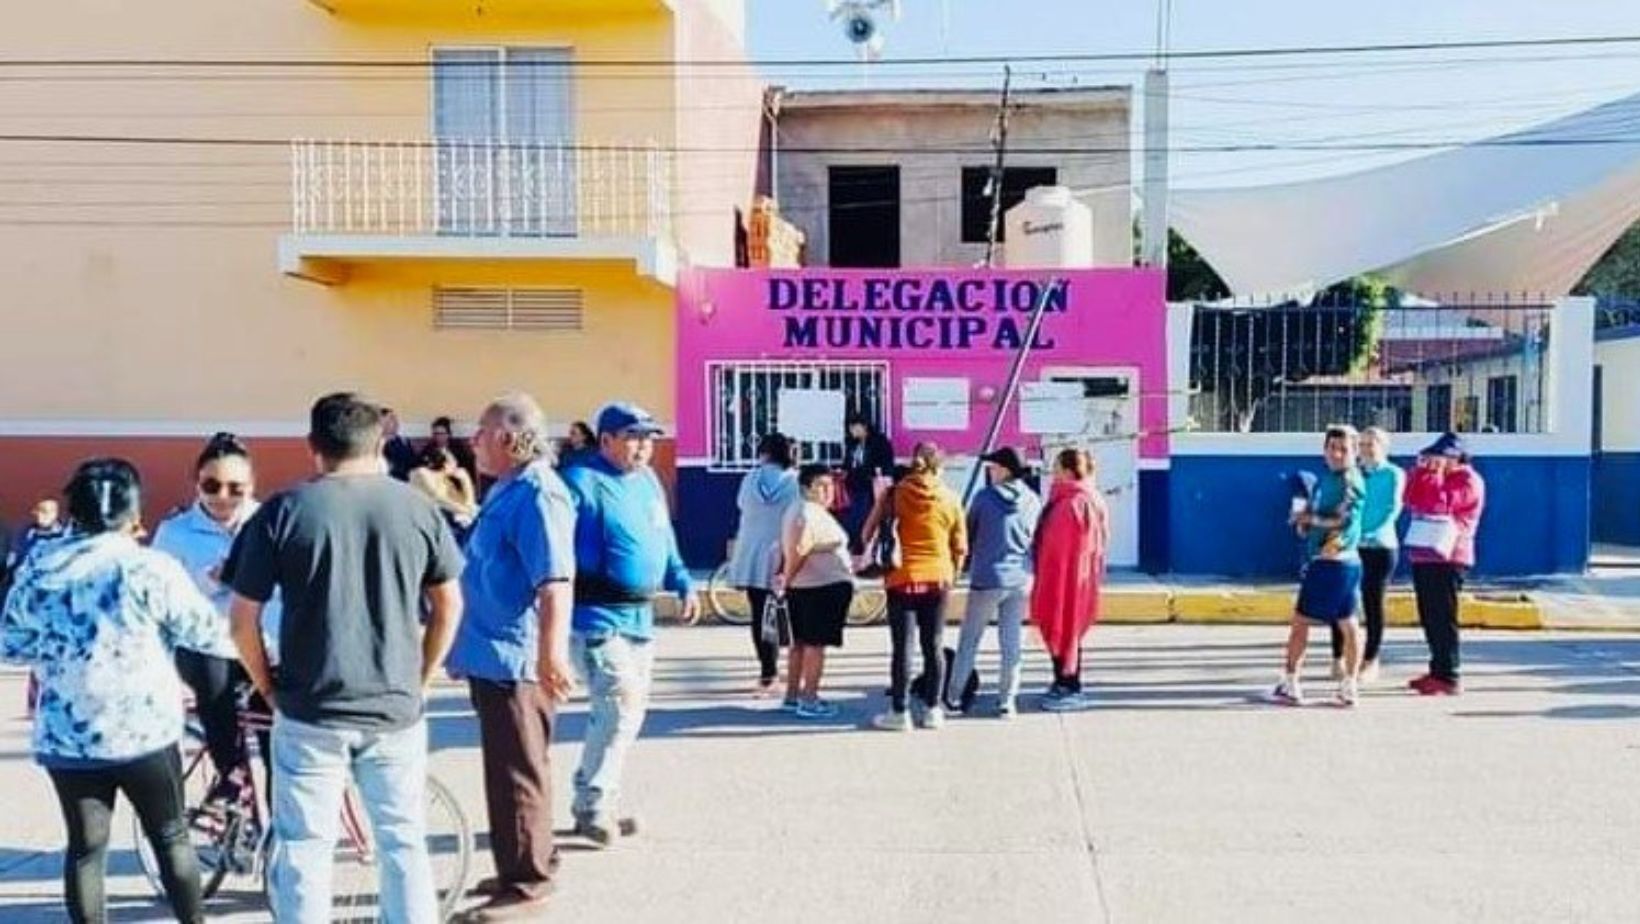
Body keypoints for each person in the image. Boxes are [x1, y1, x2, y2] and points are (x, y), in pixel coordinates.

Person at [223, 393, 465, 923]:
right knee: (403, 840)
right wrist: (420, 677)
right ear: (379, 442)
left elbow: (242, 621)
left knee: (306, 845)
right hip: (395, 706)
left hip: (310, 707)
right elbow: (449, 605)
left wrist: (267, 687)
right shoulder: (417, 508)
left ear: (313, 446)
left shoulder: (283, 512)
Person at [2, 459, 234, 924]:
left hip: (69, 734)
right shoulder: (150, 568)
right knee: (170, 837)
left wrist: (63, 647)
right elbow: (207, 633)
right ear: (133, 515)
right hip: (144, 730)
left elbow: (10, 643)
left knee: (86, 848)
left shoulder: (39, 569)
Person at [445, 393, 577, 921]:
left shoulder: (540, 494)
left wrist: (551, 656)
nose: (472, 441)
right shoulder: (507, 489)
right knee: (506, 769)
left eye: (480, 431)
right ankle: (520, 862)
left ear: (506, 436)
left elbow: (554, 584)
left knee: (519, 769)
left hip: (518, 660)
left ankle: (529, 886)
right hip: (490, 654)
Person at [560, 402, 697, 845]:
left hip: (640, 618)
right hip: (595, 617)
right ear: (606, 440)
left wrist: (682, 582)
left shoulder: (648, 481)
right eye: (634, 437)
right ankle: (595, 801)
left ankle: (595, 798)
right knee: (619, 706)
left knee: (629, 713)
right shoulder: (582, 482)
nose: (644, 446)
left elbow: (664, 535)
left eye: (649, 437)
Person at [151, 432, 282, 810]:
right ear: (197, 484)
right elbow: (160, 599)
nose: (222, 496)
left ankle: (281, 830)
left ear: (252, 486)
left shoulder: (269, 522)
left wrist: (247, 577)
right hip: (208, 646)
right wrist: (209, 581)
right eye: (211, 485)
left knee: (281, 735)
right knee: (214, 681)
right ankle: (230, 777)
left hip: (265, 643)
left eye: (235, 488)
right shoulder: (174, 533)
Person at [864, 442, 967, 732]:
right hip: (938, 578)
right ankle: (934, 709)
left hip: (901, 577)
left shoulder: (893, 494)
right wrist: (952, 575)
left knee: (903, 647)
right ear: (940, 466)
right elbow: (960, 546)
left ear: (912, 462)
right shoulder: (951, 497)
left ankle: (900, 712)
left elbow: (867, 532)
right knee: (933, 644)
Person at [1270, 426, 1366, 708]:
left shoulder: (1350, 481)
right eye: (1331, 448)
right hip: (1333, 561)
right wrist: (1304, 522)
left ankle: (1292, 682)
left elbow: (1343, 520)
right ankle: (1348, 686)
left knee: (1302, 621)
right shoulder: (1327, 479)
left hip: (1333, 562)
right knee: (1347, 623)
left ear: (1354, 452)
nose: (1336, 454)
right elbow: (1316, 513)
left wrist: (1310, 520)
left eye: (1343, 449)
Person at [951, 447, 1042, 719]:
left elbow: (969, 533)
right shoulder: (1033, 499)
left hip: (987, 578)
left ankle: (954, 697)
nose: (989, 472)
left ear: (1004, 470)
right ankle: (1007, 701)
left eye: (992, 467)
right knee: (1012, 643)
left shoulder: (984, 498)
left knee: (970, 640)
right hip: (1021, 578)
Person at [1404, 432, 1486, 696]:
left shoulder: (1468, 480)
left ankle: (1449, 673)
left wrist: (1435, 475)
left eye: (1444, 457)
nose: (1439, 461)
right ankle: (1437, 668)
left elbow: (1440, 504)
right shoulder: (1437, 475)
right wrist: (1419, 472)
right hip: (1425, 553)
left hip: (1450, 556)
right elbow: (1412, 499)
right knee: (1429, 615)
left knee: (1443, 616)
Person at [1030, 448, 1111, 712]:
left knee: (1064, 628)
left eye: (1056, 467)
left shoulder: (1075, 503)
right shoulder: (1085, 498)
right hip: (1072, 578)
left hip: (1067, 580)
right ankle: (1062, 681)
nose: (1052, 472)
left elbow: (1064, 547)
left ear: (1067, 470)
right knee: (1066, 630)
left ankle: (1069, 685)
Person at [775, 465, 854, 719]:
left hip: (812, 586)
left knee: (799, 644)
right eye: (821, 485)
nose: (828, 491)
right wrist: (787, 579)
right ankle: (809, 698)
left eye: (830, 485)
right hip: (817, 588)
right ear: (806, 488)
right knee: (813, 645)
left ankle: (793, 695)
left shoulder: (810, 511)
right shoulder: (806, 512)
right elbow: (799, 549)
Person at [1328, 427, 1405, 683]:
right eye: (1361, 444)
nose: (1365, 450)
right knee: (1342, 601)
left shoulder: (1393, 474)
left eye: (1371, 444)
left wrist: (1363, 532)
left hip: (1380, 547)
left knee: (1373, 604)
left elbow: (1390, 510)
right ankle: (1338, 657)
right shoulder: (1352, 474)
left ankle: (1371, 659)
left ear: (1383, 447)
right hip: (1350, 546)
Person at [724, 433, 799, 695]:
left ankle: (768, 673)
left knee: (759, 614)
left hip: (751, 553)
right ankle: (791, 669)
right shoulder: (795, 481)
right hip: (782, 553)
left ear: (764, 453)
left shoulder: (750, 478)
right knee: (783, 612)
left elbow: (741, 505)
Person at [841, 416, 895, 553]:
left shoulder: (879, 441)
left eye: (854, 427)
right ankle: (854, 543)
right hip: (854, 484)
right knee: (851, 515)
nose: (851, 431)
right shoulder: (852, 443)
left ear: (864, 426)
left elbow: (885, 464)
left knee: (863, 515)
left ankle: (861, 544)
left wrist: (875, 471)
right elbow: (848, 462)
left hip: (871, 486)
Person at [411, 444, 481, 539]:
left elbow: (467, 503)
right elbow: (438, 499)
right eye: (454, 462)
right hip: (431, 519)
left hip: (452, 520)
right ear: (446, 464)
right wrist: (468, 511)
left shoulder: (447, 481)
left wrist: (466, 481)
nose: (456, 465)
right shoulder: (421, 473)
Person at [7, 498, 67, 572]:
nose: (48, 515)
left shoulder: (68, 537)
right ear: (34, 512)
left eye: (52, 510)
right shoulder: (24, 534)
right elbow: (11, 561)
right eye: (43, 510)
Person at [429, 415, 479, 480]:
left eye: (441, 433)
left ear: (448, 434)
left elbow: (466, 471)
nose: (438, 437)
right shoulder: (429, 449)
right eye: (435, 434)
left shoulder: (458, 450)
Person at [381, 406, 420, 481]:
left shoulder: (404, 442)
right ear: (382, 423)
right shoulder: (378, 444)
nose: (396, 422)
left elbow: (414, 464)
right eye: (391, 419)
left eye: (396, 419)